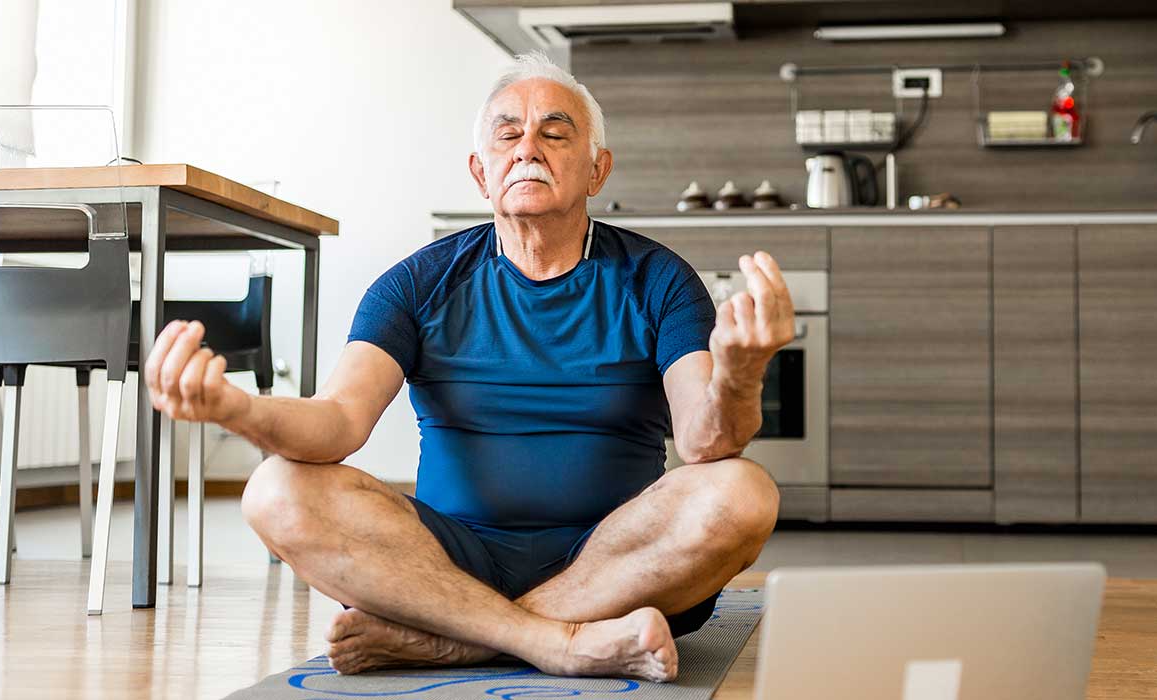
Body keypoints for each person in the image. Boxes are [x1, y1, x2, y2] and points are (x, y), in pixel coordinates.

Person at [143, 52, 791, 682]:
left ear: (598, 169)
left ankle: (455, 643)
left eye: (554, 133)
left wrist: (740, 373)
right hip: (446, 564)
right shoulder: (417, 284)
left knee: (743, 492)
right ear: (481, 173)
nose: (528, 147)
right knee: (274, 489)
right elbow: (338, 421)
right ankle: (551, 641)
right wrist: (237, 409)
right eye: (508, 134)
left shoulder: (659, 280)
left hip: (619, 566)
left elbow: (707, 443)